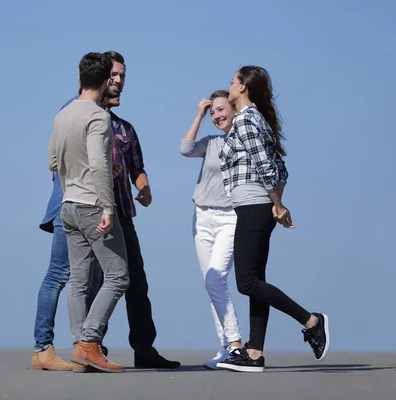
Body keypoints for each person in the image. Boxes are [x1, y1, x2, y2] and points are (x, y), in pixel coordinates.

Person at [216, 66, 329, 373]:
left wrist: (276, 203)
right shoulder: (254, 120)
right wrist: (276, 201)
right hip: (253, 206)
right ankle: (254, 353)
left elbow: (268, 166)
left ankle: (311, 320)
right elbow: (281, 167)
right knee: (256, 282)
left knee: (247, 283)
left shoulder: (247, 120)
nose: (229, 86)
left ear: (243, 88)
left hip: (254, 206)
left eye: (232, 81)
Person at [92, 51, 181, 369]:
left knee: (136, 284)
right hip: (92, 217)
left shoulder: (125, 129)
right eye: (113, 75)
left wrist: (144, 187)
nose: (118, 82)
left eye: (123, 76)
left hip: (124, 216)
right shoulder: (82, 119)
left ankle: (144, 349)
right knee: (95, 283)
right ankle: (92, 347)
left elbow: (137, 169)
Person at [48, 52, 130, 373]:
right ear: (105, 81)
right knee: (118, 275)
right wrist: (108, 207)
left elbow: (52, 163)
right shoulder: (99, 117)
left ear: (81, 79)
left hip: (67, 206)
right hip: (93, 206)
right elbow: (98, 164)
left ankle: (81, 350)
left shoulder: (62, 115)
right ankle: (90, 341)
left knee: (79, 281)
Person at [179, 90, 243, 369]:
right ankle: (226, 348)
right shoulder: (212, 142)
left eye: (221, 109)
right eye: (213, 112)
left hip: (230, 218)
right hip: (202, 218)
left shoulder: (244, 140)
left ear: (234, 109)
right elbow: (185, 148)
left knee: (215, 280)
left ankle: (236, 344)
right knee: (212, 285)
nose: (217, 115)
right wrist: (199, 115)